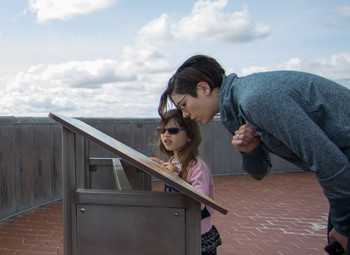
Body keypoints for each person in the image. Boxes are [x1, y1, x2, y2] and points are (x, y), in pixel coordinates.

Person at [157, 55, 350, 253]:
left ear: (203, 88)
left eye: (183, 104)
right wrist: (250, 151)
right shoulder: (238, 110)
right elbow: (259, 172)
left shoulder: (255, 99)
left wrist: (345, 227)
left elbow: (331, 164)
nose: (185, 114)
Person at [151, 109, 222, 255]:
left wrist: (174, 176)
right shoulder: (173, 161)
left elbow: (199, 201)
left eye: (173, 130)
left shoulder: (196, 165)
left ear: (189, 135)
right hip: (179, 228)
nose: (166, 135)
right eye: (162, 130)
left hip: (197, 233)